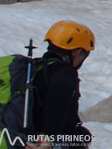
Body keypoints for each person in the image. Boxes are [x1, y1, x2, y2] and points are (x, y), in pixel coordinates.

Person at [26, 20, 95, 149]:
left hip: (25, 134)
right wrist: (49, 139)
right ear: (77, 52)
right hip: (44, 139)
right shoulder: (64, 74)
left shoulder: (37, 66)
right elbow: (55, 109)